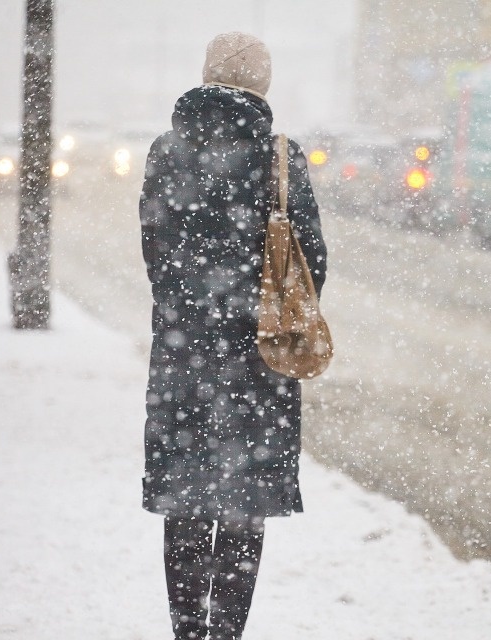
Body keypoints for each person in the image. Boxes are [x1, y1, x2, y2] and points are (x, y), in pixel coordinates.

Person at [139, 32, 327, 640]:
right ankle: (225, 633)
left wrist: (191, 315)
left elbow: (156, 254)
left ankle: (188, 630)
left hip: (184, 360)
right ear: (262, 84)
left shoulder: (168, 151)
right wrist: (256, 305)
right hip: (259, 361)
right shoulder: (280, 158)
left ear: (206, 74)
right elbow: (312, 264)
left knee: (186, 501)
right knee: (244, 506)